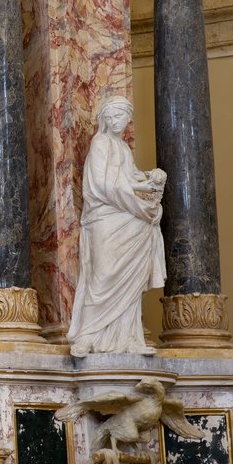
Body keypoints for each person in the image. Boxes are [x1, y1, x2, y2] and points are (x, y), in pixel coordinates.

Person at [68, 96, 166, 357]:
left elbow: (129, 178)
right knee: (102, 275)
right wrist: (141, 189)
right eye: (109, 117)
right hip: (103, 216)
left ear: (128, 119)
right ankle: (87, 335)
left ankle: (130, 337)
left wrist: (151, 179)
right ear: (103, 121)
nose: (114, 121)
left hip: (123, 213)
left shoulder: (122, 148)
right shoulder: (100, 143)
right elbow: (102, 184)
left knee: (142, 242)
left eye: (119, 116)